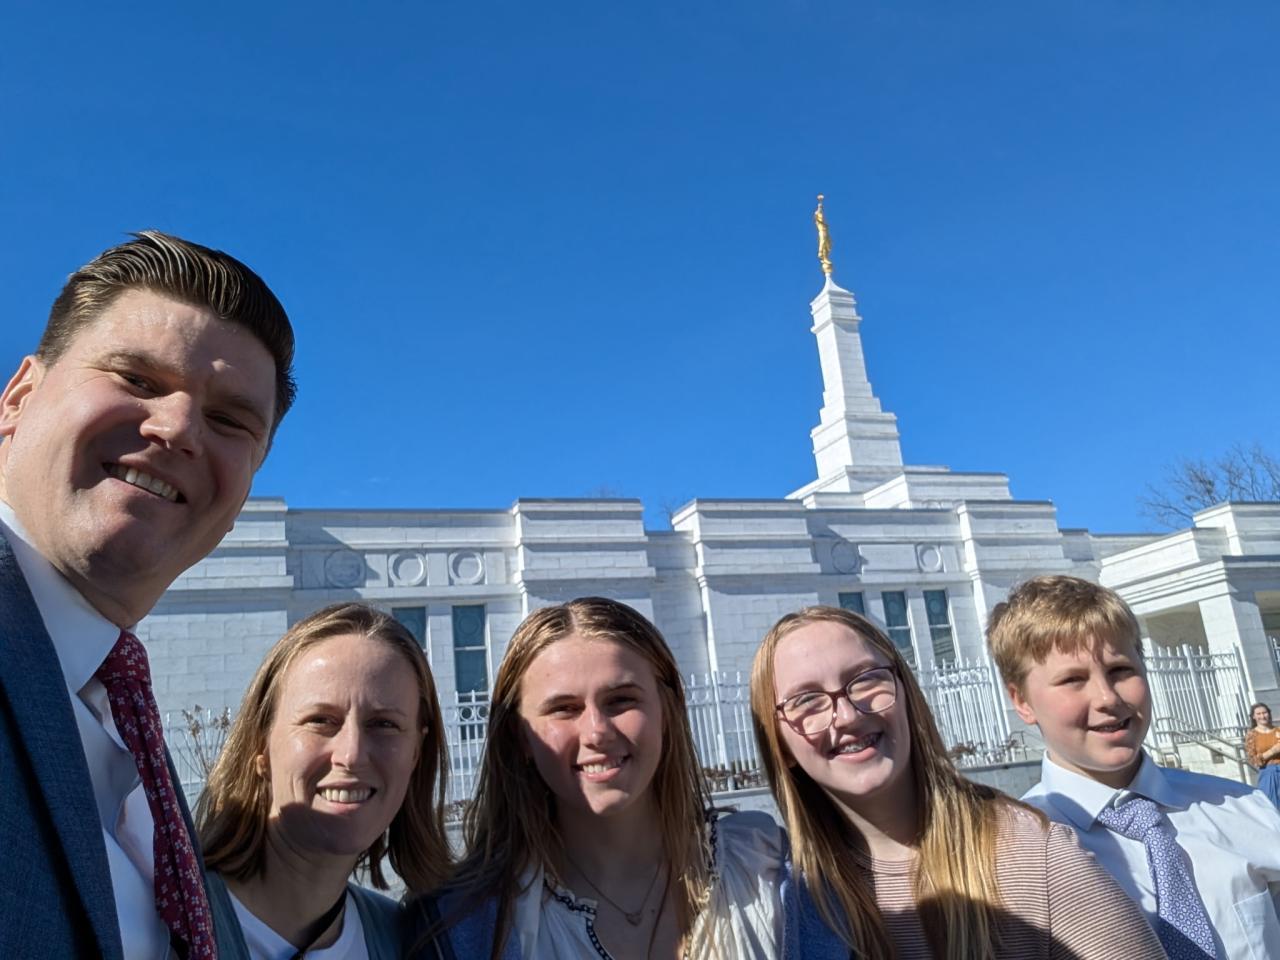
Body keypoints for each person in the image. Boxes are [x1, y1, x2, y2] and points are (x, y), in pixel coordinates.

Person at [0, 232, 296, 959]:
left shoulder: (125, 718)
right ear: (19, 398)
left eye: (230, 421)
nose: (178, 428)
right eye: (135, 378)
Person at [751, 605, 1165, 960]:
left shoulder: (1031, 857)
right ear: (780, 745)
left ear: (906, 692)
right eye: (806, 700)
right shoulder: (781, 902)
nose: (847, 715)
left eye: (866, 679)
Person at [409, 596, 783, 960]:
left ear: (667, 711)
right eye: (563, 708)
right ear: (521, 737)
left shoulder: (767, 871)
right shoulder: (463, 931)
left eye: (621, 700)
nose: (597, 732)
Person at [989, 574, 1280, 959]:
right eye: (1073, 679)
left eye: (1120, 670)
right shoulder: (1013, 859)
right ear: (1022, 701)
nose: (1107, 697)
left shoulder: (1242, 809)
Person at [195, 602, 452, 959]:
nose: (352, 754)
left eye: (384, 724)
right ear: (261, 745)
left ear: (416, 754)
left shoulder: (417, 943)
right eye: (320, 720)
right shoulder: (162, 925)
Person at [1245, 702, 1280, 808]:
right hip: (1267, 773)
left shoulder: (1278, 731)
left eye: (1264, 713)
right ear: (1253, 717)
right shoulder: (1251, 735)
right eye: (1258, 714)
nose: (1262, 716)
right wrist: (1272, 751)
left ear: (1269, 713)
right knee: (1271, 806)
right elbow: (1253, 760)